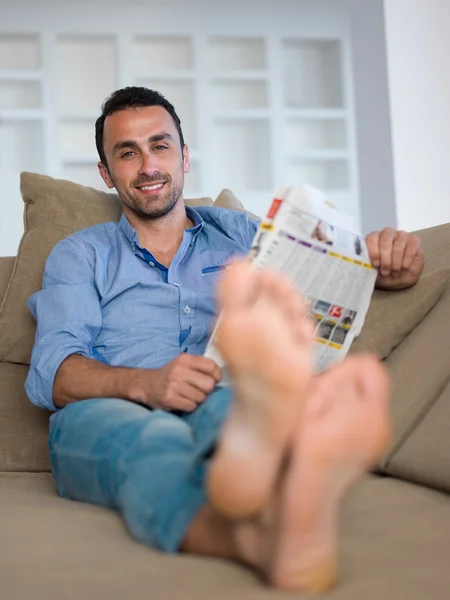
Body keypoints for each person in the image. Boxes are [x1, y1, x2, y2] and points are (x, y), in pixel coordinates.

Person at [25, 87, 424, 593]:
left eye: (161, 145)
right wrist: (147, 385)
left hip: (225, 391)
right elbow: (53, 374)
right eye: (128, 152)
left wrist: (388, 262)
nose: (148, 165)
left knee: (233, 408)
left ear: (185, 156)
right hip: (110, 407)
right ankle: (254, 528)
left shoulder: (240, 234)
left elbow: (325, 276)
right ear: (107, 173)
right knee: (152, 440)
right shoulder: (80, 253)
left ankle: (260, 464)